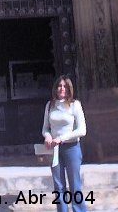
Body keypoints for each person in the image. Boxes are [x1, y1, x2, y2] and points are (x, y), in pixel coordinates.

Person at [42, 75, 88, 212]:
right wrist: (48, 136)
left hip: (72, 148)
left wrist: (62, 138)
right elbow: (45, 128)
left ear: (69, 89)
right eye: (59, 86)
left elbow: (82, 130)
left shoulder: (75, 105)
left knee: (75, 186)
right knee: (59, 186)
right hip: (55, 150)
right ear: (55, 88)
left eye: (65, 86)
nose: (62, 89)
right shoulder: (50, 105)